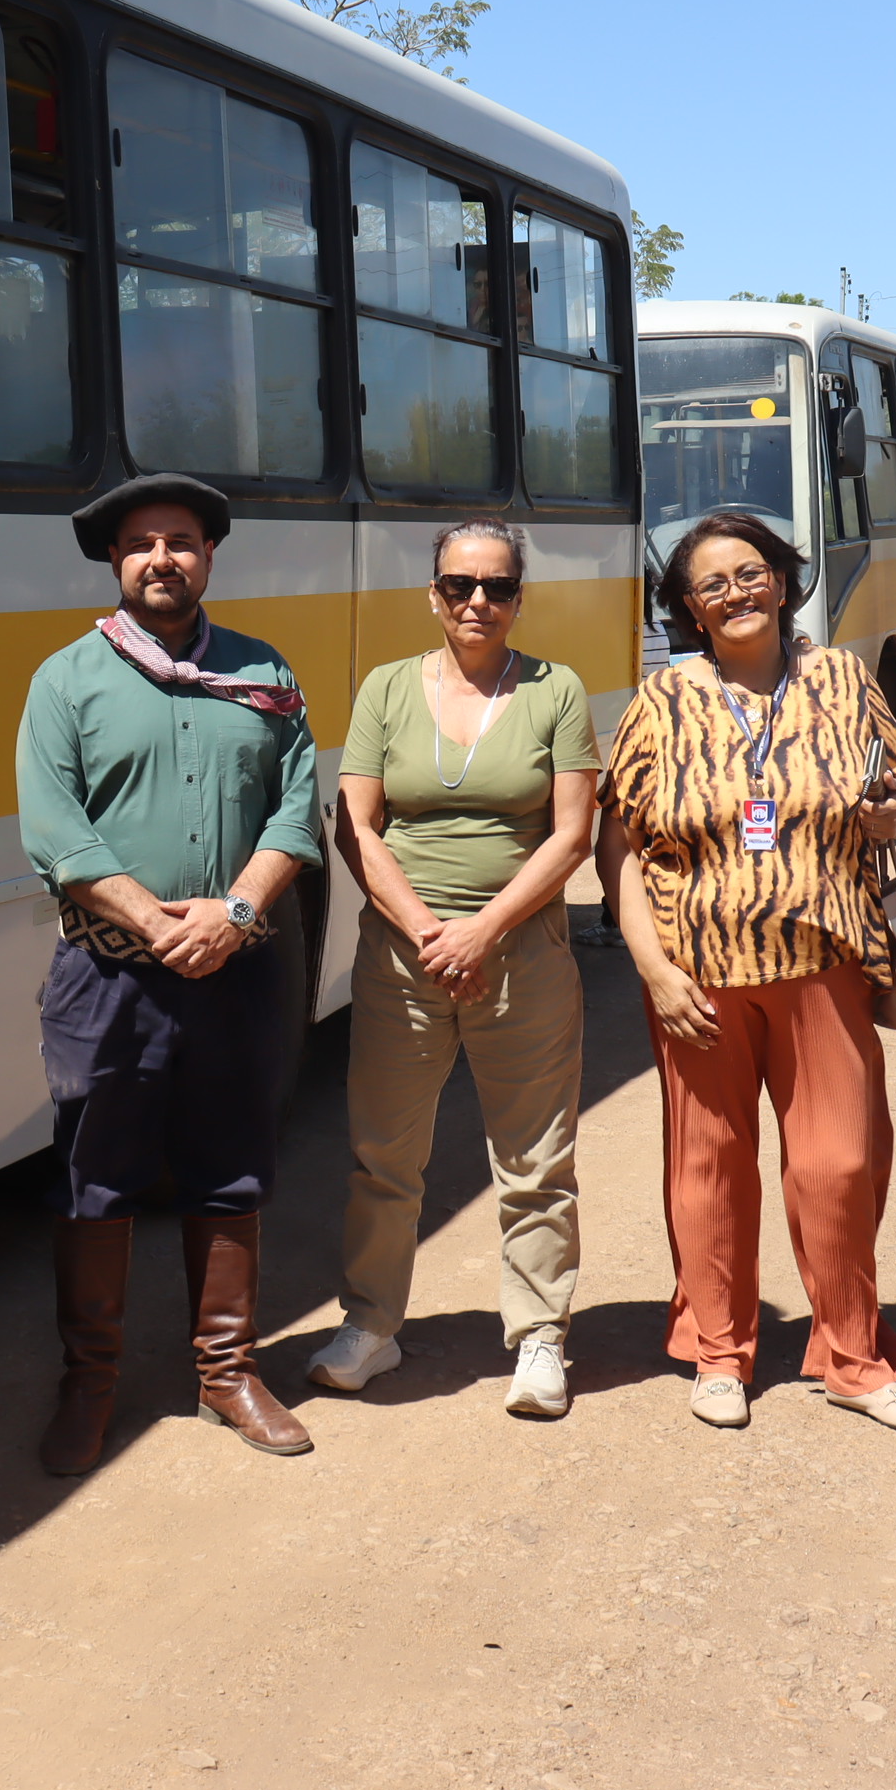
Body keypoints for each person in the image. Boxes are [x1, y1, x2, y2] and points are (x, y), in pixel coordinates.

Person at [599, 511, 896, 1435]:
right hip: (695, 978)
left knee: (838, 1165)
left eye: (750, 573)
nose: (736, 593)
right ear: (687, 609)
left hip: (823, 966)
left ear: (784, 581)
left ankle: (854, 1356)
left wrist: (895, 814)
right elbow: (619, 845)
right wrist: (652, 968)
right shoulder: (662, 703)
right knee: (708, 1169)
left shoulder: (840, 679)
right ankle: (719, 1352)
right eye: (711, 585)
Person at [15, 473, 328, 1476]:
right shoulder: (66, 680)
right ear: (116, 562)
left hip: (236, 971)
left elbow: (295, 809)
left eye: (182, 541)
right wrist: (157, 923)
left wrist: (236, 914)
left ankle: (227, 1370)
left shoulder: (264, 671)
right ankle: (89, 1384)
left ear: (208, 557)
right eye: (143, 543)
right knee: (95, 1179)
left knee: (231, 1167)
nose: (163, 558)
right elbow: (55, 831)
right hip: (108, 978)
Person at [304, 520, 600, 1418]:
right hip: (403, 958)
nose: (479, 602)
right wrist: (433, 932)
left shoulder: (557, 690)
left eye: (498, 587)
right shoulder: (388, 689)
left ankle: (540, 1338)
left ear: (520, 598)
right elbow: (356, 825)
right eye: (460, 585)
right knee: (384, 1154)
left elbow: (572, 832)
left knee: (535, 1157)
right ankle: (372, 1327)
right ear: (433, 594)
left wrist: (485, 932)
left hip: (524, 957)